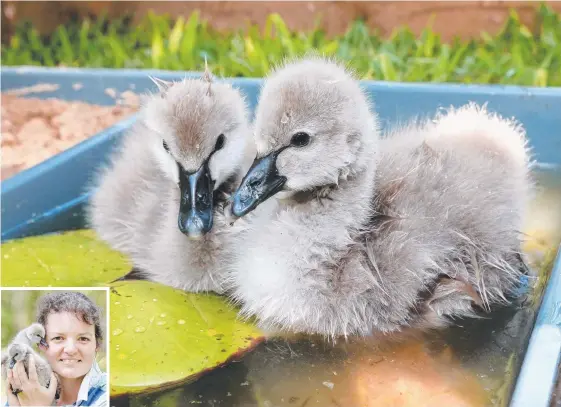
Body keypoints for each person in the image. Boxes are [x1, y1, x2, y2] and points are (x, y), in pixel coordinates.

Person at [5, 291, 108, 407]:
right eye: (58, 338)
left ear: (97, 344)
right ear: (41, 344)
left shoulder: (109, 397)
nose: (71, 349)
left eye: (83, 338)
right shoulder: (24, 391)